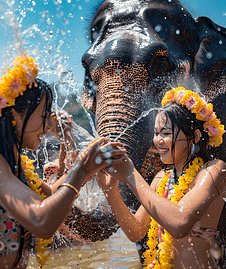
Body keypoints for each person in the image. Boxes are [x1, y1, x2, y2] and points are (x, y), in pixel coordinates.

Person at [0, 53, 125, 269]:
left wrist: (84, 169)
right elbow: (42, 222)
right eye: (43, 116)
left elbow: (51, 198)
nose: (48, 127)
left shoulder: (14, 168)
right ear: (16, 115)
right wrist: (81, 168)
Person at [97, 86, 226, 269]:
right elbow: (137, 231)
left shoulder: (214, 171)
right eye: (156, 133)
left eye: (166, 133)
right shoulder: (161, 177)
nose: (157, 140)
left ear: (195, 136)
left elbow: (180, 222)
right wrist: (110, 191)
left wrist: (131, 174)